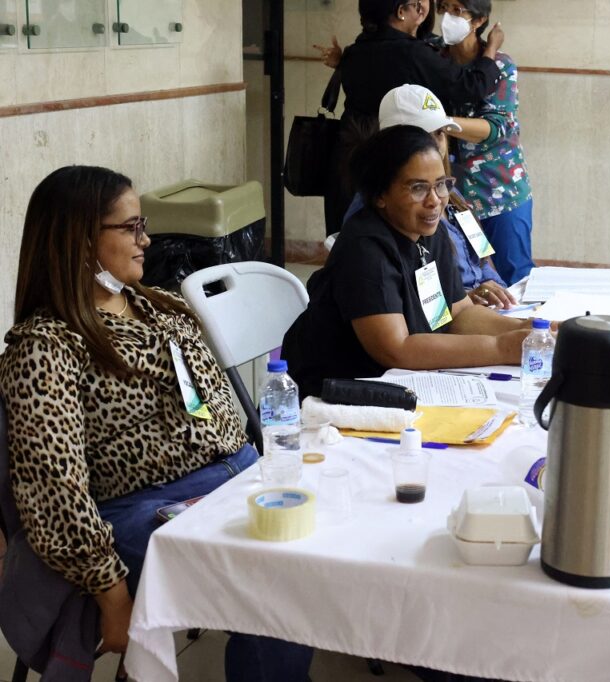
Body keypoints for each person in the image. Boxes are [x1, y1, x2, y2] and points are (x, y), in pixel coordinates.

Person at [0, 166, 314, 680]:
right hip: (146, 508)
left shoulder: (157, 307)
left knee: (319, 548)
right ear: (79, 241)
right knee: (271, 591)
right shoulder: (46, 346)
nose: (146, 240)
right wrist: (113, 595)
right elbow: (55, 491)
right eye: (130, 228)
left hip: (233, 475)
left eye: (143, 224)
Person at [281, 126, 532, 399]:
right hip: (327, 400)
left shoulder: (427, 234)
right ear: (380, 195)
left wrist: (529, 330)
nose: (434, 200)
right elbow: (396, 349)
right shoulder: (365, 249)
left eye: (440, 184)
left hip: (402, 386)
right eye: (418, 188)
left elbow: (457, 314)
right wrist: (500, 348)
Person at [315, 0, 506, 233]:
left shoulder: (355, 51)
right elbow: (472, 86)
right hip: (394, 158)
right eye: (418, 3)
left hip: (346, 161)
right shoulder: (413, 53)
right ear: (401, 12)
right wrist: (492, 48)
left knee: (349, 234)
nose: (426, 7)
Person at [341, 84, 516, 308]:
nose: (435, 145)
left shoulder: (452, 195)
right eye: (422, 136)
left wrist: (499, 293)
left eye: (440, 133)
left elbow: (483, 257)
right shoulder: (375, 217)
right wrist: (463, 302)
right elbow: (422, 313)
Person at [439, 0, 535, 285]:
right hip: (457, 197)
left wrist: (440, 121)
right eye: (443, 7)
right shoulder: (434, 60)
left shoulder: (501, 65)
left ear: (478, 21)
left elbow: (496, 127)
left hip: (501, 191)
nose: (447, 17)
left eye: (457, 10)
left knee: (515, 276)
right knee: (471, 274)